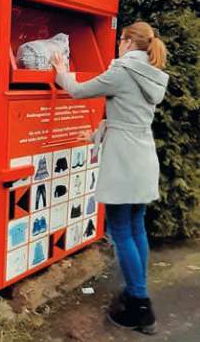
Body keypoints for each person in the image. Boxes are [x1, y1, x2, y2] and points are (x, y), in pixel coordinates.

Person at [51, 21, 169, 335]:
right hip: (143, 158)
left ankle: (140, 306)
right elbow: (127, 116)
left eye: (120, 40)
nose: (118, 45)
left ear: (129, 42)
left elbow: (77, 91)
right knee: (135, 225)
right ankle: (136, 292)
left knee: (119, 228)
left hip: (123, 163)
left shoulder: (122, 71)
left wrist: (61, 69)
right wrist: (94, 134)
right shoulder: (151, 75)